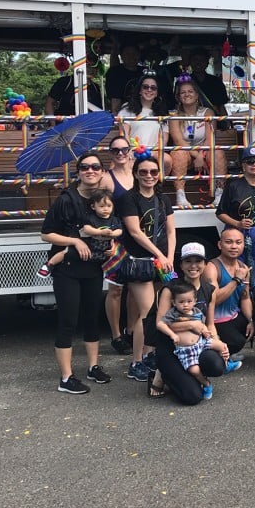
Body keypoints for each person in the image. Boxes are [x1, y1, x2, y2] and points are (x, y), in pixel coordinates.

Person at [40, 153, 112, 394]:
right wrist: (75, 241)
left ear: (102, 172)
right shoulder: (66, 199)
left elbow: (111, 229)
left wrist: (111, 246)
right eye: (84, 167)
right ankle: (66, 378)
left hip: (93, 268)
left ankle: (93, 367)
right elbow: (46, 234)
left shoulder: (103, 200)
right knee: (68, 320)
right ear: (78, 172)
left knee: (92, 318)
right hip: (67, 269)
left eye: (95, 167)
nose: (90, 170)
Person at [147, 245, 230, 403]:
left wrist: (219, 344)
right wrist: (191, 325)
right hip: (171, 347)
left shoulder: (210, 290)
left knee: (217, 365)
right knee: (193, 397)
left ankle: (190, 375)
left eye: (198, 261)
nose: (193, 266)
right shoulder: (170, 289)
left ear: (205, 264)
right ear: (181, 265)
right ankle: (162, 373)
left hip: (197, 345)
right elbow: (160, 324)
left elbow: (210, 324)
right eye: (188, 261)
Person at [118, 155, 176, 382]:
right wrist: (160, 255)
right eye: (143, 172)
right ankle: (136, 362)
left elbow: (171, 231)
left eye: (153, 172)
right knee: (147, 313)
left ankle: (150, 354)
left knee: (163, 307)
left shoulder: (163, 199)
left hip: (162, 261)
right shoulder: (128, 198)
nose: (149, 176)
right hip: (139, 261)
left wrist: (169, 257)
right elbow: (135, 231)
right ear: (135, 174)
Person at [156, 281, 233, 400]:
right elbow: (160, 324)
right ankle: (205, 383)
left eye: (189, 301)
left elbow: (207, 324)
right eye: (181, 302)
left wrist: (210, 335)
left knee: (220, 346)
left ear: (195, 301)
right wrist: (175, 333)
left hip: (200, 343)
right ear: (174, 302)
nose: (185, 305)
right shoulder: (173, 312)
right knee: (193, 392)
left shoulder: (198, 309)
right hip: (184, 350)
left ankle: (228, 364)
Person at [99, 136, 135, 354]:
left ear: (130, 150)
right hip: (117, 238)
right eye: (115, 150)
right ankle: (116, 335)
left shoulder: (139, 172)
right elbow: (100, 210)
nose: (120, 153)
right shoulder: (106, 178)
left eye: (124, 149)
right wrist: (107, 239)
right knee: (116, 289)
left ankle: (131, 330)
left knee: (135, 287)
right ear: (110, 153)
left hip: (138, 237)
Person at [216, 146, 255, 291]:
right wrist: (237, 223)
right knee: (234, 264)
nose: (254, 165)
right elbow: (220, 212)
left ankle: (252, 297)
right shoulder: (233, 186)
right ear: (243, 165)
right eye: (250, 162)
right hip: (235, 231)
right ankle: (233, 296)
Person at [169, 77, 227, 208]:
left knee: (217, 152)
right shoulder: (174, 115)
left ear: (196, 95)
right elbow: (179, 141)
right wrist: (197, 156)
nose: (187, 94)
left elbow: (210, 138)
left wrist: (201, 155)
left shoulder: (207, 112)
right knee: (178, 153)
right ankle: (180, 196)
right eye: (183, 92)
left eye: (190, 91)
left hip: (204, 151)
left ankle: (219, 194)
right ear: (178, 97)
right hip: (185, 154)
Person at [38, 189, 122, 277]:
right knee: (67, 252)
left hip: (102, 249)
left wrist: (113, 234)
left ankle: (113, 274)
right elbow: (87, 229)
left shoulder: (114, 220)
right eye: (102, 206)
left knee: (112, 256)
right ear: (93, 207)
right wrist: (100, 232)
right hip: (87, 244)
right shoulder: (91, 218)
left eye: (109, 206)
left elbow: (119, 230)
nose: (106, 209)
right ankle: (50, 264)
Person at [204, 226, 255, 355]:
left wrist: (251, 321)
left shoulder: (243, 267)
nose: (234, 246)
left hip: (233, 316)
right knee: (237, 342)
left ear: (243, 245)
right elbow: (213, 300)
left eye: (238, 242)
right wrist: (236, 280)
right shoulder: (212, 267)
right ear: (220, 245)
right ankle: (219, 351)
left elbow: (245, 297)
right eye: (228, 242)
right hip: (214, 320)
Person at [118, 73, 173, 176]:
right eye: (145, 87)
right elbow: (124, 135)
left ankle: (157, 184)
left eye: (153, 88)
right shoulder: (127, 109)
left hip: (153, 152)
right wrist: (130, 151)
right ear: (140, 90)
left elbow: (163, 140)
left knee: (166, 160)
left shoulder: (162, 113)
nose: (149, 90)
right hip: (132, 151)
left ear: (157, 93)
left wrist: (150, 153)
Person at [106, 43, 144, 113]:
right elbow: (115, 99)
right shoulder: (115, 73)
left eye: (135, 53)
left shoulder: (144, 72)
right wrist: (117, 116)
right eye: (127, 53)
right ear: (121, 56)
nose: (131, 56)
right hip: (124, 113)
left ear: (139, 55)